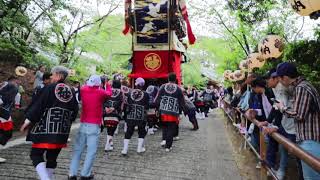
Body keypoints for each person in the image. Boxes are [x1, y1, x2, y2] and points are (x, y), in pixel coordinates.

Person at [20, 66, 79, 180]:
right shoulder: (71, 90)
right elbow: (74, 111)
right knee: (52, 158)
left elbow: (38, 105)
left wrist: (28, 121)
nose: (51, 77)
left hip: (46, 129)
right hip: (62, 131)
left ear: (59, 75)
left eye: (52, 74)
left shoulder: (49, 88)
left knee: (36, 154)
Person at [275, 62, 320, 180]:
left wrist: (282, 108)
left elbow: (299, 114)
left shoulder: (301, 88)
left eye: (279, 78)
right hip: (309, 139)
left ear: (284, 78)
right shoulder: (303, 86)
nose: (279, 82)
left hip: (310, 139)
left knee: (311, 177)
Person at [68, 75, 112, 180]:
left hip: (83, 123)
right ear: (99, 83)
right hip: (94, 125)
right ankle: (85, 174)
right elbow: (109, 94)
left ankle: (72, 174)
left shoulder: (83, 89)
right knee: (91, 151)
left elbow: (83, 87)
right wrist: (108, 85)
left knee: (78, 150)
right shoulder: (101, 92)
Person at [155, 73, 185, 152]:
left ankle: (164, 140)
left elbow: (157, 99)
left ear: (168, 79)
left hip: (163, 111)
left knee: (165, 126)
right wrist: (181, 112)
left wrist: (157, 109)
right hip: (173, 112)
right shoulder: (179, 89)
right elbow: (182, 102)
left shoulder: (162, 87)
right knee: (171, 128)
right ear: (175, 79)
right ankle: (168, 146)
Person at [121, 77, 149, 155]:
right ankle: (139, 149)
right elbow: (147, 106)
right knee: (141, 131)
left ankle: (125, 149)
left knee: (129, 131)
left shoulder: (130, 92)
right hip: (141, 116)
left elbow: (127, 103)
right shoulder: (146, 94)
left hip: (131, 115)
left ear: (136, 84)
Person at [0, 76, 19, 163]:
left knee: (5, 132)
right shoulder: (12, 86)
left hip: (4, 112)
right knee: (6, 132)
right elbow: (5, 99)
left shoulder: (5, 85)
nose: (17, 82)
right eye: (16, 81)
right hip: (3, 112)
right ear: (12, 80)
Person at [104, 80, 123, 152]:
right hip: (115, 113)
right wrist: (113, 108)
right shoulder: (120, 92)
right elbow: (120, 101)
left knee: (109, 129)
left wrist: (106, 107)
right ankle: (107, 145)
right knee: (112, 130)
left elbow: (105, 100)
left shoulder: (108, 90)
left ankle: (110, 143)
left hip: (107, 112)